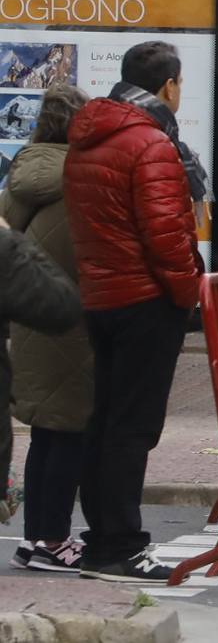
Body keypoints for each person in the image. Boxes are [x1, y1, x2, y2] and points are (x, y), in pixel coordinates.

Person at [64, 41, 202, 582]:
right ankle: (120, 544)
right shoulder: (149, 143)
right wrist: (188, 293)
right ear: (169, 84)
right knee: (133, 428)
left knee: (106, 421)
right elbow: (168, 235)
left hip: (101, 295)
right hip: (146, 301)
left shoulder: (90, 137)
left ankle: (101, 539)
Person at [6, 86, 88, 572]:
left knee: (44, 432)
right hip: (71, 316)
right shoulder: (80, 176)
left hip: (30, 319)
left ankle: (35, 536)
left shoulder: (23, 172)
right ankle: (54, 539)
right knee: (71, 432)